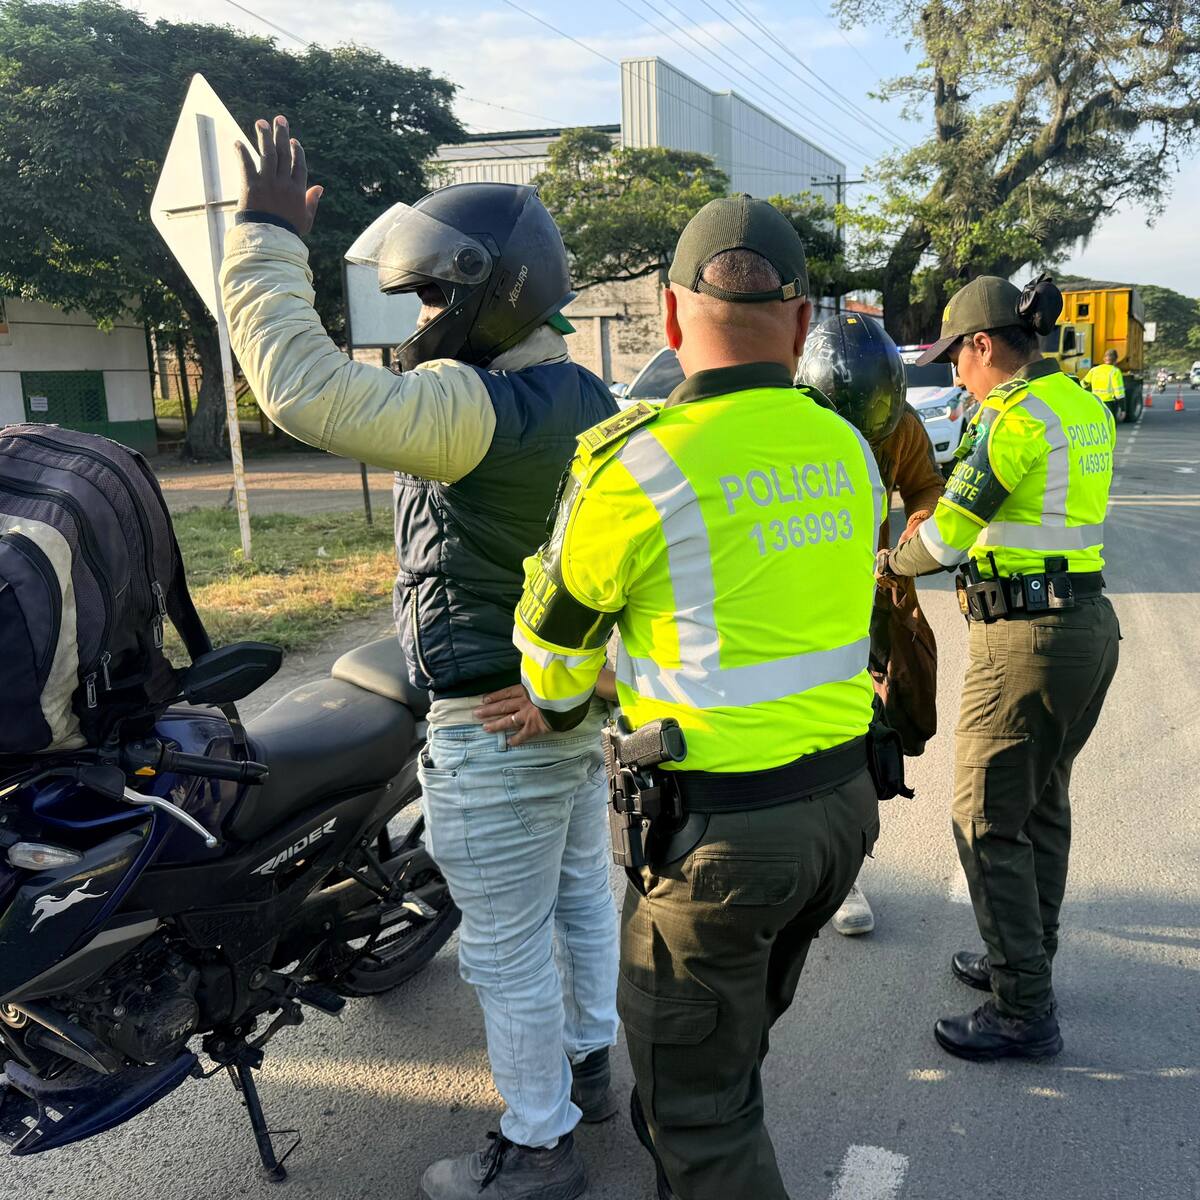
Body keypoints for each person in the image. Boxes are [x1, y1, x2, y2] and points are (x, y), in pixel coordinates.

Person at [223, 115, 620, 1200]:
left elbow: (302, 392)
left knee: (501, 948)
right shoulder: (592, 398)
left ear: (497, 289)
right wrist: (589, 683)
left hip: (489, 720)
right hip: (560, 706)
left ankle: (539, 1143)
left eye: (436, 296)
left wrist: (260, 237)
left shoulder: (474, 408)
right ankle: (591, 1071)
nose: (422, 319)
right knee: (582, 896)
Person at [513, 194, 888, 1200]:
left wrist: (585, 685)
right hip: (840, 820)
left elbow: (550, 677)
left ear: (672, 320)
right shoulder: (848, 455)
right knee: (731, 1038)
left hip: (717, 845)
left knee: (697, 1113)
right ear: (804, 324)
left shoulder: (633, 467)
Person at [878, 275, 1119, 1061]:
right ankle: (1028, 959)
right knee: (1041, 804)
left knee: (985, 819)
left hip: (1025, 640)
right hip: (1084, 626)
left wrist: (889, 559)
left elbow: (944, 539)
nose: (954, 375)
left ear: (984, 345)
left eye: (957, 358)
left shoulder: (1013, 423)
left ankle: (1023, 1008)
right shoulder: (1083, 404)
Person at [798, 314, 944, 936]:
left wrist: (908, 544)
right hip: (789, 602)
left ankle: (846, 872)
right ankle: (786, 868)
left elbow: (926, 491)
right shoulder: (787, 420)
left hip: (868, 600)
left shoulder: (898, 424)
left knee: (863, 728)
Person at [1083, 348, 1126, 419]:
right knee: (1109, 428)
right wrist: (1123, 409)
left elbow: (1083, 384)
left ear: (1104, 359)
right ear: (1115, 360)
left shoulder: (1094, 370)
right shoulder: (1115, 371)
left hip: (1095, 403)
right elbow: (1119, 394)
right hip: (1109, 405)